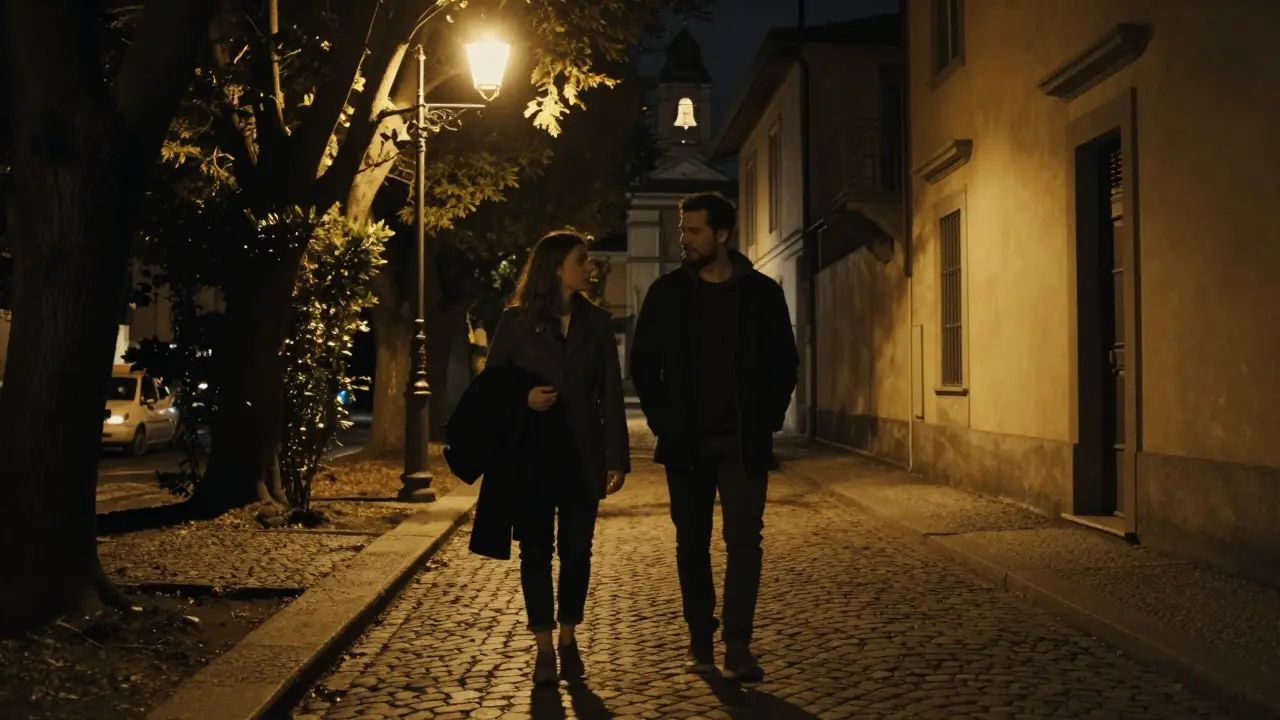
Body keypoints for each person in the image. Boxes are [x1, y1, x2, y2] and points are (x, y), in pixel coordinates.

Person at [629, 192, 799, 684]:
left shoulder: (762, 294)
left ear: (721, 234)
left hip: (743, 442)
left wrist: (768, 418)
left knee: (745, 543)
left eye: (694, 231)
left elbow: (783, 362)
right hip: (686, 444)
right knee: (692, 544)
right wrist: (663, 421)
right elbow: (643, 364)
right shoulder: (667, 293)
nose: (684, 239)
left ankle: (738, 647)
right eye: (683, 231)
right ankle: (700, 641)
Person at [485, 230, 630, 685]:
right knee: (535, 551)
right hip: (532, 452)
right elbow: (492, 385)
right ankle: (543, 645)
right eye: (581, 259)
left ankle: (569, 635)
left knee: (577, 551)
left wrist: (617, 457)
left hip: (582, 452)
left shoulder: (598, 323)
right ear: (555, 266)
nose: (589, 267)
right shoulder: (514, 322)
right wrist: (524, 397)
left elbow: (610, 394)